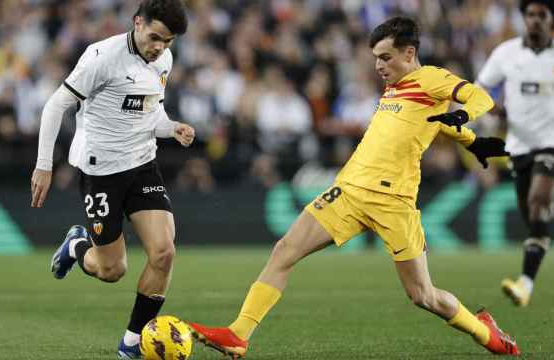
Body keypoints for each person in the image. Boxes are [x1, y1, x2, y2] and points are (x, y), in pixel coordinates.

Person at [188, 17, 520, 358]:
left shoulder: (431, 78)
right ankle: (238, 334)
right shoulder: (395, 87)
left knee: (423, 295)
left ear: (409, 52)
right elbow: (433, 124)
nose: (378, 65)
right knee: (285, 250)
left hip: (394, 201)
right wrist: (471, 142)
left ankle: (485, 332)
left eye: (386, 57)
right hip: (350, 191)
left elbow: (480, 97)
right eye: (375, 57)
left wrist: (465, 121)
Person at [30, 1, 195, 358]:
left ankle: (132, 342)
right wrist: (44, 165)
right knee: (111, 270)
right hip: (101, 172)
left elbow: (151, 111)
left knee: (164, 252)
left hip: (142, 163)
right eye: (155, 38)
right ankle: (78, 246)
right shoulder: (101, 57)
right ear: (137, 23)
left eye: (168, 42)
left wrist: (171, 127)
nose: (160, 48)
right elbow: (56, 105)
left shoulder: (163, 60)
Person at [476, 0, 554, 307]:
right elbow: (481, 86)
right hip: (519, 144)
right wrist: (490, 110)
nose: (535, 20)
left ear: (552, 21)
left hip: (553, 140)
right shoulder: (506, 54)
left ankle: (525, 284)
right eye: (530, 14)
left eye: (542, 15)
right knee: (535, 219)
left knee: (537, 200)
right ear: (524, 18)